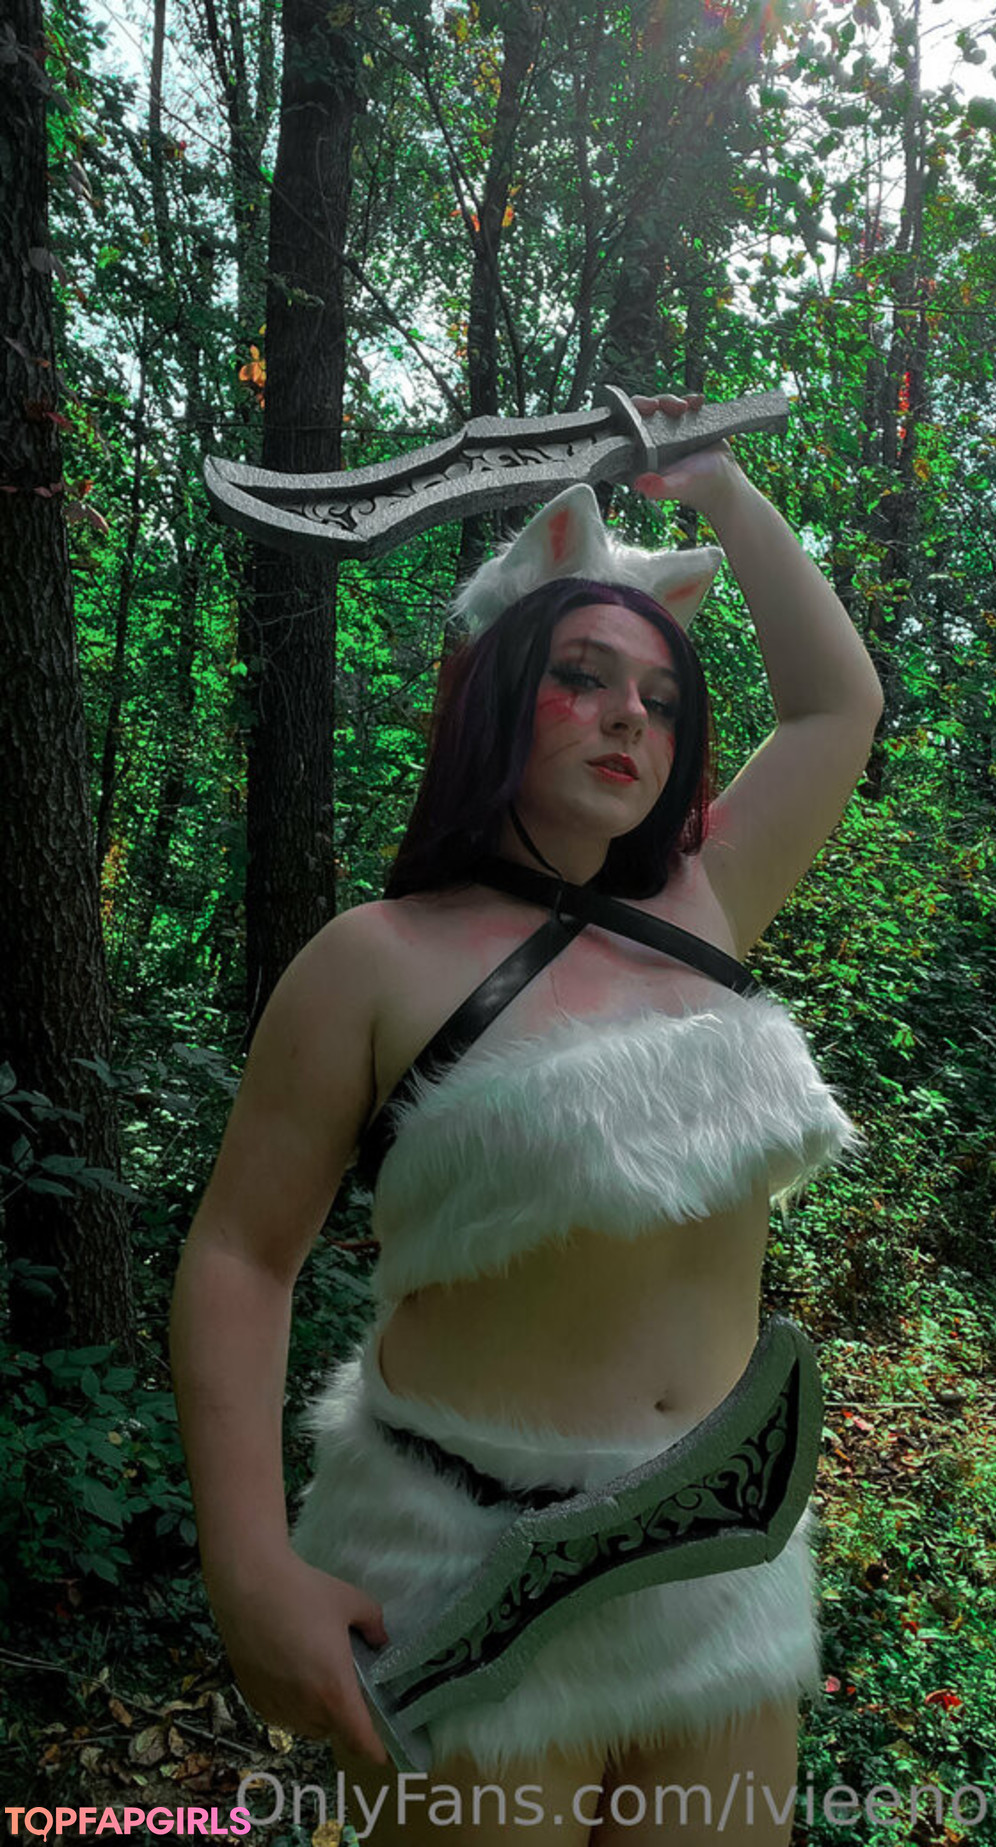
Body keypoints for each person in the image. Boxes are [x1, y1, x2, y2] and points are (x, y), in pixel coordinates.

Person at [170, 391, 883, 1845]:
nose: (632, 716)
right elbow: (243, 1256)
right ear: (500, 691)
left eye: (662, 700)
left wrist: (723, 491)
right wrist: (250, 1567)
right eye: (585, 676)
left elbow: (836, 708)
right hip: (464, 1571)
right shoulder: (374, 961)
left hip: (718, 1572)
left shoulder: (703, 904)